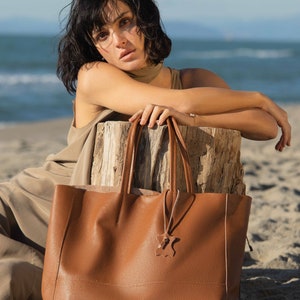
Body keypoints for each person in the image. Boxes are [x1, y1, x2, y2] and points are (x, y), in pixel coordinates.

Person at [0, 0, 291, 298]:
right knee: (13, 278)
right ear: (96, 47)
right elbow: (183, 103)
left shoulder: (193, 80)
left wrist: (194, 121)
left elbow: (263, 127)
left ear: (146, 21)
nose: (119, 40)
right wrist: (258, 97)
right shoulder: (94, 75)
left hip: (92, 234)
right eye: (103, 35)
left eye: (125, 23)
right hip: (25, 213)